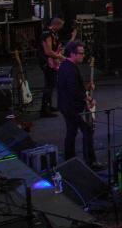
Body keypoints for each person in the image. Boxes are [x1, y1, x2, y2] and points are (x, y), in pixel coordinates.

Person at [57, 41, 101, 170]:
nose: (83, 56)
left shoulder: (67, 66)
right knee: (87, 130)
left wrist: (87, 87)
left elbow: (75, 87)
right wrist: (88, 98)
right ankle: (91, 162)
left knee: (72, 132)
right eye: (81, 53)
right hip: (71, 107)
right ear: (72, 53)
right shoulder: (70, 68)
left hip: (66, 106)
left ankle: (70, 159)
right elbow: (73, 90)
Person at [39, 18, 66, 117]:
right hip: (47, 62)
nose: (61, 28)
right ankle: (44, 110)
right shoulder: (48, 34)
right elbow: (48, 52)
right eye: (61, 26)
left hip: (50, 62)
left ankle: (48, 106)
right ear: (56, 25)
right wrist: (60, 57)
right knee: (49, 85)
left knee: (50, 84)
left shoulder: (52, 33)